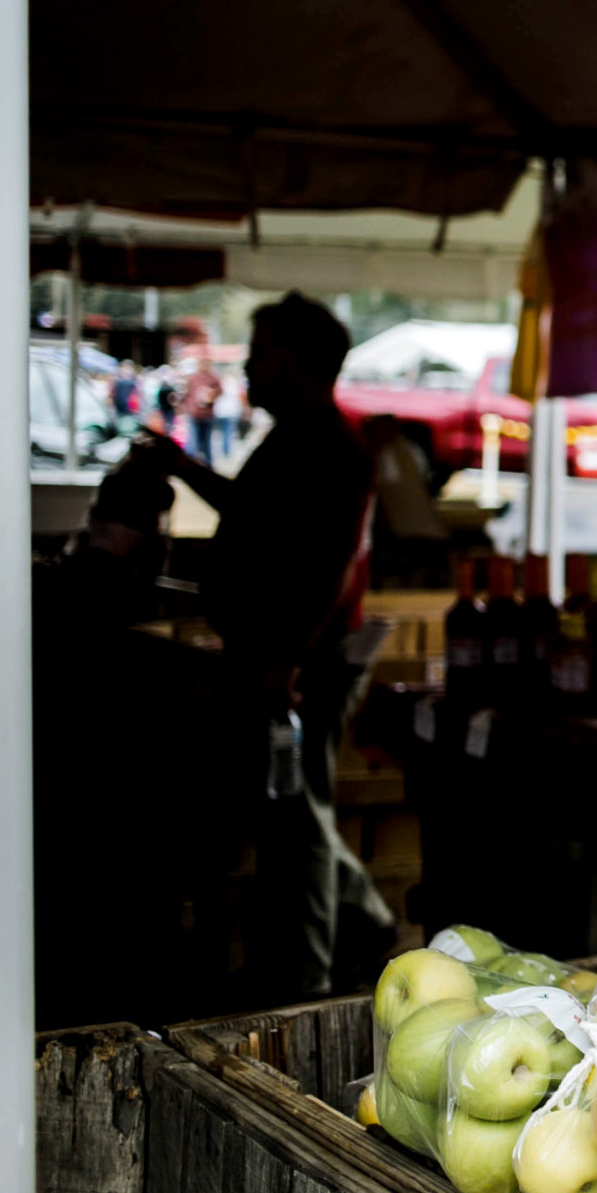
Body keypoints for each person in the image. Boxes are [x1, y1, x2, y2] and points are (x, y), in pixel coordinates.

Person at [138, 292, 390, 997]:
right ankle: (362, 924)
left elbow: (327, 567)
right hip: (277, 654)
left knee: (298, 822)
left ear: (301, 364)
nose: (248, 368)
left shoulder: (334, 450)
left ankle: (308, 983)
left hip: (304, 662)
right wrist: (183, 468)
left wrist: (286, 659)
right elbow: (254, 516)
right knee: (291, 805)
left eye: (262, 354)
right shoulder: (290, 438)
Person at [182, 357, 223, 466]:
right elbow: (187, 394)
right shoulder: (194, 378)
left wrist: (211, 394)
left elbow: (220, 391)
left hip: (207, 415)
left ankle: (208, 464)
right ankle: (191, 465)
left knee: (207, 443)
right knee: (193, 442)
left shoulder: (213, 378)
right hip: (195, 414)